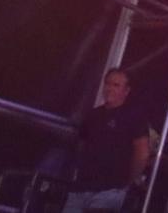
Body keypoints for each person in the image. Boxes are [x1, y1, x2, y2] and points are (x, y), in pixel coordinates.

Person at [64, 68, 153, 213]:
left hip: (109, 191)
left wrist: (128, 181)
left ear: (126, 90)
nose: (109, 88)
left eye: (116, 85)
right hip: (80, 188)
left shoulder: (134, 117)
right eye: (107, 84)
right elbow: (81, 145)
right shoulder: (93, 115)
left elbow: (142, 152)